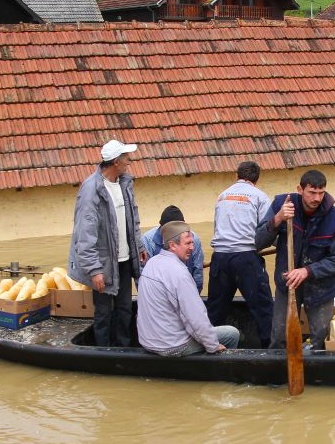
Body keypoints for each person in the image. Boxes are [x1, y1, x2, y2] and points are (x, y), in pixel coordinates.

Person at [68, 139, 149, 347]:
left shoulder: (124, 184)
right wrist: (94, 270)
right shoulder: (92, 190)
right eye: (126, 159)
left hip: (123, 260)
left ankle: (122, 348)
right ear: (115, 162)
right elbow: (85, 235)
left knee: (124, 308)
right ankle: (102, 351)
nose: (129, 162)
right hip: (104, 263)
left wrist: (138, 245)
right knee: (103, 311)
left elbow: (133, 219)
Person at [256, 169, 335, 351]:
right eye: (312, 192)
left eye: (321, 193)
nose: (317, 198)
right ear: (300, 189)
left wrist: (307, 271)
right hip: (288, 284)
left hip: (321, 287)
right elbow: (258, 242)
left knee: (320, 337)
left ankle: (316, 376)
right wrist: (278, 219)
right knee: (279, 336)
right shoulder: (282, 205)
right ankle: (277, 376)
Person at [137, 221, 241, 356]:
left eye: (192, 242)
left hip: (147, 341)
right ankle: (220, 373)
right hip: (172, 346)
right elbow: (195, 319)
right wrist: (213, 345)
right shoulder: (179, 273)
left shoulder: (151, 263)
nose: (192, 247)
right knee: (232, 334)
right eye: (187, 243)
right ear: (172, 245)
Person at [206, 161, 274, 347]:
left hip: (219, 257)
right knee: (263, 308)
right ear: (256, 180)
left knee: (215, 309)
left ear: (236, 176)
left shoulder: (222, 196)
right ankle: (272, 350)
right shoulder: (260, 197)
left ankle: (207, 346)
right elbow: (266, 230)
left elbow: (217, 227)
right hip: (245, 258)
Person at [141, 205, 204, 291]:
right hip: (158, 292)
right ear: (161, 228)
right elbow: (143, 275)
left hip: (185, 289)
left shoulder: (193, 239)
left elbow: (197, 271)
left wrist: (194, 295)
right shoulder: (147, 240)